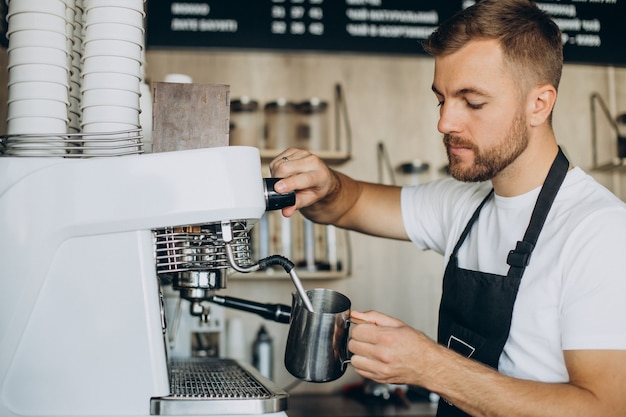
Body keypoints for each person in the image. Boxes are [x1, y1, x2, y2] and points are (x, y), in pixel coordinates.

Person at [269, 0, 626, 416]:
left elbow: (606, 408)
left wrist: (430, 367)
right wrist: (325, 184)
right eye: (442, 99)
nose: (445, 122)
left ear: (539, 104)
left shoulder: (599, 232)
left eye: (472, 102)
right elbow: (350, 204)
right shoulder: (464, 205)